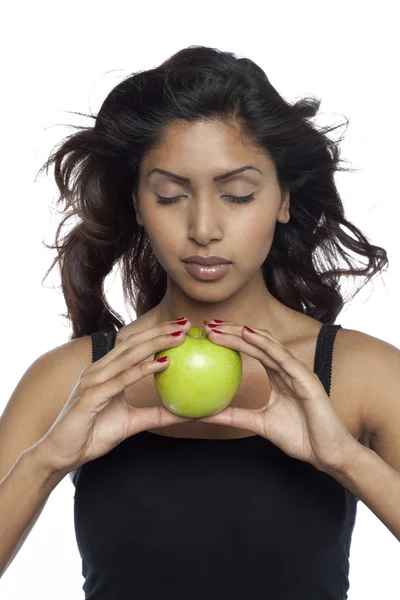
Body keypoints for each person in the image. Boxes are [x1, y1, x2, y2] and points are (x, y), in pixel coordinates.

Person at [1, 45, 398, 599]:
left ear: (283, 198)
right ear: (138, 204)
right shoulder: (71, 380)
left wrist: (345, 459)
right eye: (170, 195)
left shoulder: (364, 374)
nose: (204, 228)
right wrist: (46, 461)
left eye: (237, 195)